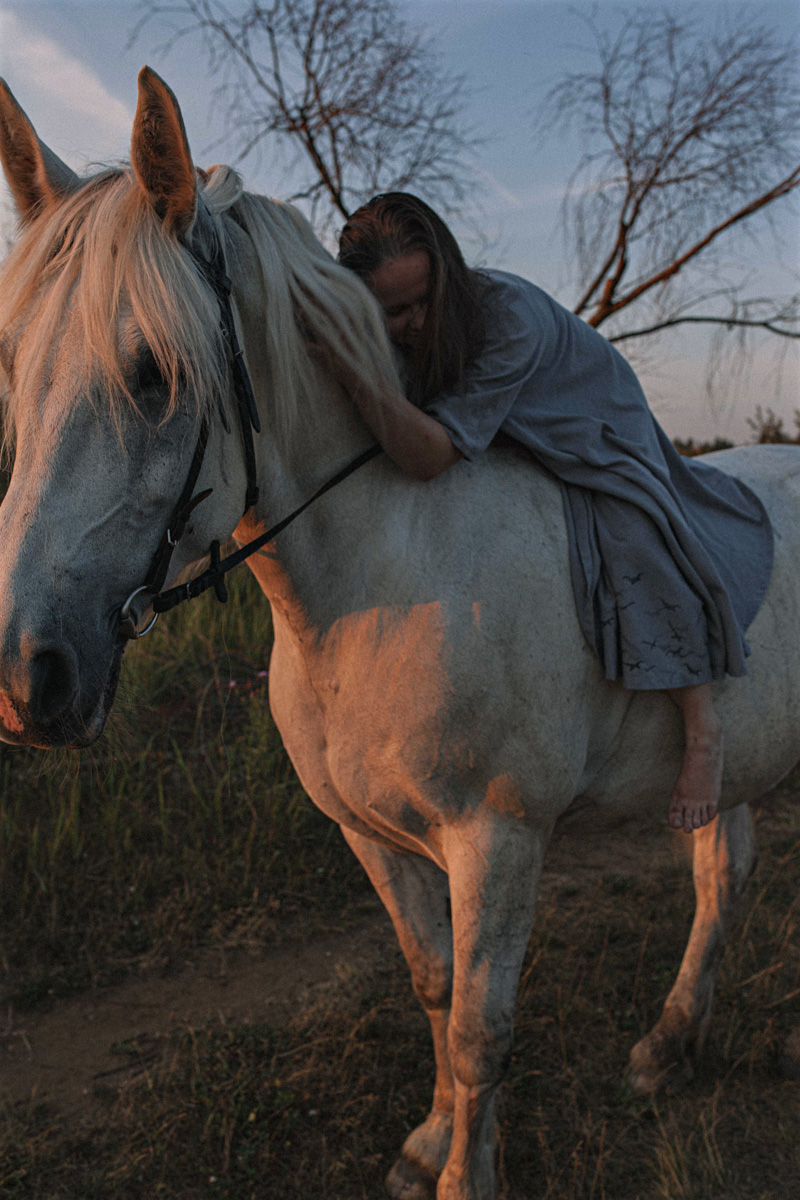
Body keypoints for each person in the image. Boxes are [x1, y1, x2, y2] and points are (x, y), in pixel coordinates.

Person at [322, 192, 773, 835]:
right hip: (514, 427)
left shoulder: (508, 318)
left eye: (426, 299)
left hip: (589, 418)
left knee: (631, 532)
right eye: (395, 311)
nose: (417, 322)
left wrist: (353, 368)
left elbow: (427, 456)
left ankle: (702, 725)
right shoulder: (382, 326)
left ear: (447, 271)